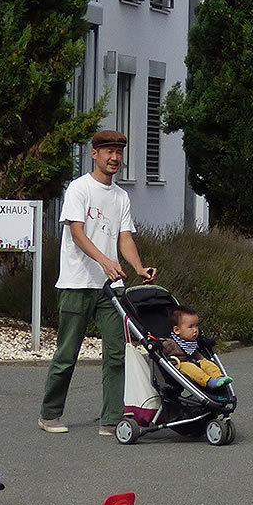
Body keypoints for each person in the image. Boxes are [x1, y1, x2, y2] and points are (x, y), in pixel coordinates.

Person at [40, 130, 157, 436]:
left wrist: (139, 267)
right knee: (67, 353)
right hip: (77, 282)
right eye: (108, 152)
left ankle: (112, 418)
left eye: (118, 153)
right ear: (95, 154)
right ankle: (49, 414)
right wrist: (104, 261)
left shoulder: (121, 196)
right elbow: (77, 233)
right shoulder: (79, 189)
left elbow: (125, 237)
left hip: (111, 290)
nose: (115, 158)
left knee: (116, 353)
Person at [159, 305, 231, 391]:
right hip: (180, 365)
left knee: (208, 363)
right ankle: (209, 382)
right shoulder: (170, 343)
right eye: (191, 327)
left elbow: (197, 354)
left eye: (196, 326)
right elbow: (161, 349)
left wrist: (203, 360)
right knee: (191, 369)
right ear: (177, 330)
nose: (195, 330)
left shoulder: (192, 342)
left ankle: (218, 377)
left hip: (194, 361)